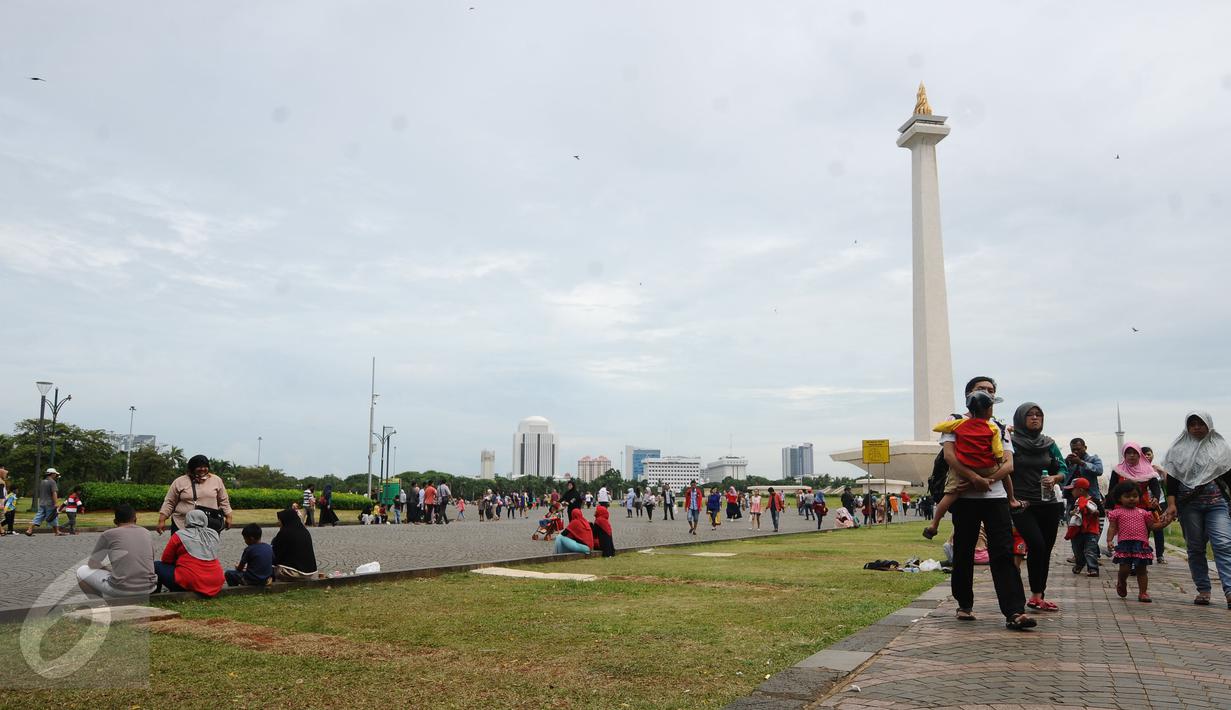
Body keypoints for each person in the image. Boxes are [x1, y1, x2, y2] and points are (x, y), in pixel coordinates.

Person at [944, 376, 1034, 631]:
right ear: (968, 395)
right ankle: (964, 603)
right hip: (965, 498)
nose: (987, 393)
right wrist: (974, 478)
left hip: (995, 498)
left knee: (1004, 553)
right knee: (963, 551)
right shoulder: (954, 423)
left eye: (991, 390)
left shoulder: (999, 427)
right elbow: (950, 456)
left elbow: (1009, 464)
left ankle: (1015, 611)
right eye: (981, 389)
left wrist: (987, 480)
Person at [1005, 402, 1069, 612]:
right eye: (1029, 415)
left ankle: (1037, 595)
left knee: (1045, 550)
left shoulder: (1048, 443)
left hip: (1048, 503)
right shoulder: (1010, 443)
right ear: (1020, 419)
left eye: (1038, 415)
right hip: (1023, 504)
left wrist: (1055, 477)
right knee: (1037, 545)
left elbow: (1063, 467)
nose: (1034, 418)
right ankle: (1029, 593)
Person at [1162, 412, 1231, 608]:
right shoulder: (1178, 450)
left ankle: (1229, 590)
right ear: (1187, 427)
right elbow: (1173, 480)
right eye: (1192, 424)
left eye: (1200, 423)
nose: (1197, 427)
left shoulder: (1221, 448)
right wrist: (1172, 504)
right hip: (1189, 505)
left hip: (1217, 503)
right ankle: (1203, 590)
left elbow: (1229, 476)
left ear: (1209, 425)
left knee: (1223, 543)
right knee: (1195, 547)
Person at [924, 390, 1011, 539]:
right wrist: (998, 459)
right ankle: (1013, 499)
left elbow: (939, 428)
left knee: (950, 494)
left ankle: (934, 524)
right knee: (1006, 474)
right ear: (988, 410)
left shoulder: (958, 424)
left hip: (963, 467)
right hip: (986, 466)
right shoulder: (993, 427)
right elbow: (997, 448)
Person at [1106, 481, 1173, 603]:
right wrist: (1109, 540)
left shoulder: (1144, 513)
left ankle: (1143, 593)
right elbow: (1112, 527)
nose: (1131, 499)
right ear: (1119, 498)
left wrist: (1165, 522)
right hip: (1124, 545)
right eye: (1127, 496)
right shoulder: (1116, 513)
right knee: (1124, 569)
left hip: (1141, 545)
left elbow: (1153, 526)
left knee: (1142, 570)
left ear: (1140, 496)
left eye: (1135, 496)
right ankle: (1122, 581)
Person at [76, 504, 157, 599]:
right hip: (149, 587)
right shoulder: (146, 533)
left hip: (122, 588)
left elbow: (92, 564)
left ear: (115, 521)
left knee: (81, 571)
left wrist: (107, 570)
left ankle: (99, 603)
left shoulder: (108, 534)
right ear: (135, 519)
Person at [155, 509, 225, 596]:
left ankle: (156, 593)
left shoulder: (179, 535)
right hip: (216, 580)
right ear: (205, 519)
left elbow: (166, 559)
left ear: (187, 520)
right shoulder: (213, 534)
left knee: (156, 565)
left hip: (192, 580)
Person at [157, 455, 233, 534]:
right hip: (182, 524)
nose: (203, 469)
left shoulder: (216, 480)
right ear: (192, 468)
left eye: (205, 466)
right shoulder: (179, 481)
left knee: (207, 547)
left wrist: (229, 517)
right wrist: (161, 520)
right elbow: (169, 502)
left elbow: (224, 500)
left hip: (209, 525)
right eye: (199, 467)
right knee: (181, 546)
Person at [272, 507, 318, 580]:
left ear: (286, 520)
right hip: (311, 573)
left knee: (271, 569)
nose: (278, 523)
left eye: (280, 520)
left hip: (295, 573)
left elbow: (276, 555)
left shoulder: (284, 533)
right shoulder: (305, 531)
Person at [1140, 446, 1167, 563]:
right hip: (1143, 504)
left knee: (1158, 529)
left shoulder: (1156, 470)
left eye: (1149, 454)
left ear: (1153, 456)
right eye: (1144, 454)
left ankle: (1160, 555)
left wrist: (1161, 471)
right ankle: (1143, 553)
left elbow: (1167, 482)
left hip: (1158, 504)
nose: (1147, 456)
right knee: (1143, 530)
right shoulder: (1137, 469)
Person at [225, 523, 274, 587]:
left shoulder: (249, 549)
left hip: (252, 579)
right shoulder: (268, 547)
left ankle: (235, 589)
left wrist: (238, 567)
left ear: (251, 539)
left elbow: (240, 568)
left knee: (229, 573)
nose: (245, 541)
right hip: (265, 578)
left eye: (245, 539)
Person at [24, 468, 63, 536]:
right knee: (53, 517)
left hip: (42, 502)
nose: (56, 476)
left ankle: (29, 530)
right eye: (55, 474)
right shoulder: (52, 482)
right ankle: (57, 532)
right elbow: (54, 493)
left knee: (38, 516)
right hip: (50, 503)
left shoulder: (42, 481)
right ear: (52, 474)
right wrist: (56, 503)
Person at [1066, 437, 1104, 504]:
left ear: (1085, 447)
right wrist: (1066, 462)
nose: (1075, 452)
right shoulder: (1070, 461)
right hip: (1072, 498)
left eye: (1078, 449)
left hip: (1091, 497)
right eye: (1073, 450)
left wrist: (1081, 463)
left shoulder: (1093, 459)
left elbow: (1099, 470)